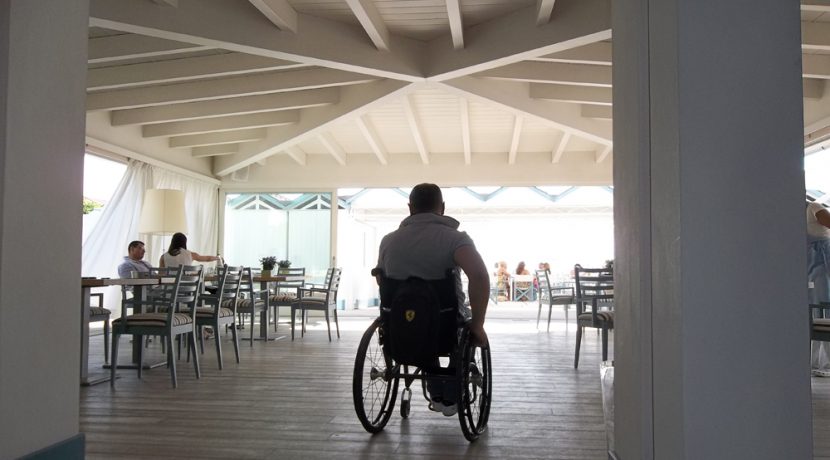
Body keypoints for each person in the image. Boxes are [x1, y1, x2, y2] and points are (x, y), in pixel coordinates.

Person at [376, 183, 490, 416]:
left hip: (399, 325)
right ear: (442, 207)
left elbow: (381, 280)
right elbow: (479, 276)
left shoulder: (388, 241)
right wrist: (478, 325)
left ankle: (436, 390)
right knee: (457, 326)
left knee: (421, 323)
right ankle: (450, 393)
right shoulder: (455, 239)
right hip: (445, 326)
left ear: (410, 208)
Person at [808, 200, 830, 377]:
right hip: (819, 266)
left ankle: (819, 362)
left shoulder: (811, 208)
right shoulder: (813, 207)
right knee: (822, 311)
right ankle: (822, 363)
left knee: (819, 312)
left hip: (815, 265)